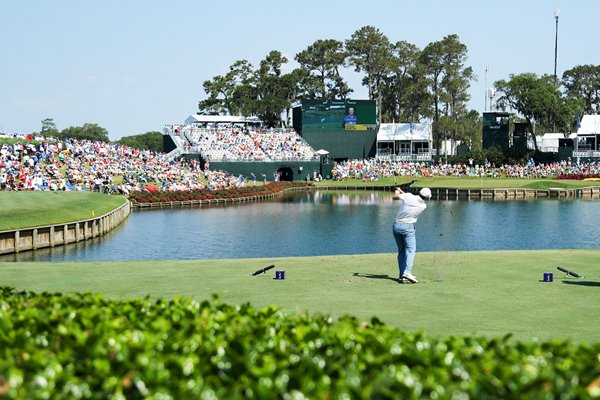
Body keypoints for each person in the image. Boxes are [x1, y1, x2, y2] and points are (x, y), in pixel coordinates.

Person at [392, 186, 432, 283]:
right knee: (410, 250)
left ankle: (402, 276)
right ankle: (407, 272)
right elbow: (411, 199)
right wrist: (401, 191)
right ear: (426, 198)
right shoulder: (423, 206)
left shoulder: (408, 196)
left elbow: (394, 197)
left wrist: (398, 192)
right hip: (408, 228)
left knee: (401, 251)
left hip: (396, 227)